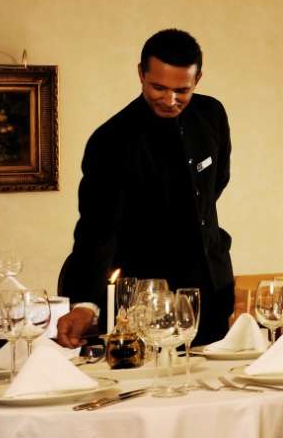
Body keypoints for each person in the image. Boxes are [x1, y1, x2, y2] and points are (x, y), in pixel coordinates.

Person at [55, 29, 235, 346]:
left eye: (182, 89)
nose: (170, 100)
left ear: (198, 79)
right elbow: (97, 229)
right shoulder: (111, 140)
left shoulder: (212, 115)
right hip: (143, 303)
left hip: (211, 289)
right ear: (141, 73)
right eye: (158, 87)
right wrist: (85, 303)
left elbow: (215, 185)